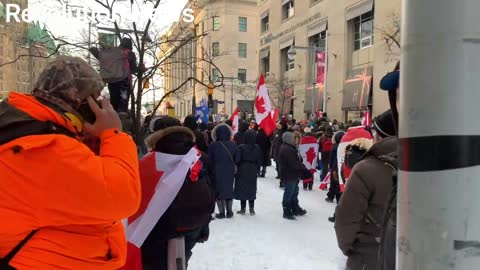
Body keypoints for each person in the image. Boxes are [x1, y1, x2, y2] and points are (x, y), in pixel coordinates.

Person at [0, 56, 141, 269]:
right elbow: (123, 195)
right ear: (84, 104)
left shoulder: (25, 129)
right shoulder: (43, 148)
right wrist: (113, 134)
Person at [141, 117, 215, 270]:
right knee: (180, 260)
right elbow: (214, 190)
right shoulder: (199, 157)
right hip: (193, 223)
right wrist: (204, 225)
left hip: (158, 227)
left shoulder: (150, 161)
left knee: (156, 262)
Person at [334, 110, 397, 270]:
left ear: (381, 135)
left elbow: (346, 219)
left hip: (370, 256)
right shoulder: (425, 167)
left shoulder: (366, 169)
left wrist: (352, 249)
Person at [90, 37, 140, 112]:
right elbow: (133, 68)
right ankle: (122, 118)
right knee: (123, 103)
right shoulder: (129, 53)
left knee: (114, 103)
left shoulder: (112, 53)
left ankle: (114, 116)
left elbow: (94, 50)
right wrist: (141, 69)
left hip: (112, 81)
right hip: (124, 81)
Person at [278, 132, 312, 220]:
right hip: (289, 174)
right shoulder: (287, 149)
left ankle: (295, 208)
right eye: (294, 138)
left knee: (294, 192)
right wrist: (303, 168)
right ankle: (287, 211)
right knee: (289, 193)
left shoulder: (290, 148)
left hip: (293, 174)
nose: (295, 140)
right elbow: (294, 163)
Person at [208, 124, 239, 219]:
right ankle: (229, 211)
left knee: (219, 190)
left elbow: (209, 159)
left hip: (217, 170)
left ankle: (221, 212)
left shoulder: (213, 145)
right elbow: (237, 158)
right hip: (229, 170)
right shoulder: (233, 144)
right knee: (229, 188)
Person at [234, 129, 261, 215]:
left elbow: (237, 159)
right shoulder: (257, 147)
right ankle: (252, 208)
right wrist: (257, 169)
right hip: (252, 168)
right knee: (252, 188)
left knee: (242, 188)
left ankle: (243, 208)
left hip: (243, 168)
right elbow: (259, 159)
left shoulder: (241, 147)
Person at [272, 119, 288, 185]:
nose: (278, 125)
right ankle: (279, 174)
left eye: (280, 124)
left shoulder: (284, 133)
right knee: (278, 164)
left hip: (281, 151)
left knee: (281, 164)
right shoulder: (278, 132)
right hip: (277, 150)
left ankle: (281, 176)